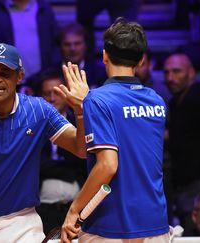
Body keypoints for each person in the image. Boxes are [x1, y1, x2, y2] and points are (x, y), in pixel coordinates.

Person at [0, 42, 88, 242]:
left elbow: (80, 149)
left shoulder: (39, 110)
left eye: (5, 73)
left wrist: (80, 112)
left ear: (20, 76)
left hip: (23, 225)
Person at [61, 18, 169, 242]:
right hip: (155, 224)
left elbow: (108, 164)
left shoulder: (98, 100)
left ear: (104, 56)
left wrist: (74, 210)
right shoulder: (157, 101)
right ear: (140, 60)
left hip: (110, 228)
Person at [36, 68, 87, 234]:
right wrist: (67, 168)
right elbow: (37, 165)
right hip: (43, 209)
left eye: (56, 93)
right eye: (46, 94)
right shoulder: (33, 126)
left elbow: (84, 159)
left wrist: (53, 167)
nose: (51, 99)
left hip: (77, 207)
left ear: (66, 94)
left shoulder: (80, 122)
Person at [164, 53, 200, 192]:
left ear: (191, 73)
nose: (170, 78)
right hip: (181, 185)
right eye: (166, 72)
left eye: (176, 71)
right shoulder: (174, 103)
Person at [59, 22, 106, 89]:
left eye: (77, 43)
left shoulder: (100, 74)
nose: (72, 48)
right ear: (60, 46)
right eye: (67, 44)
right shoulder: (50, 75)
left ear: (85, 45)